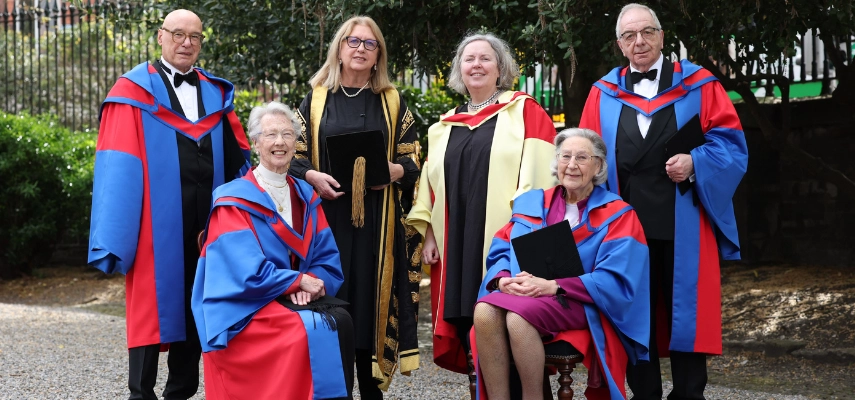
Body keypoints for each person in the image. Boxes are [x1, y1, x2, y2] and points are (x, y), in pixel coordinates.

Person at [579, 3, 749, 399]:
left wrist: (696, 161)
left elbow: (732, 146)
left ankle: (690, 394)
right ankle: (645, 394)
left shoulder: (700, 84)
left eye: (647, 32)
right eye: (629, 36)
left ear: (661, 36)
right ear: (620, 45)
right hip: (623, 227)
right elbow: (585, 155)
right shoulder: (602, 92)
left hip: (682, 222)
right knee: (635, 311)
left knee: (685, 312)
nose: (639, 42)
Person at [87, 9, 251, 400]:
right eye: (178, 34)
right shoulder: (133, 91)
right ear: (161, 37)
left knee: (197, 307)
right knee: (149, 308)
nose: (186, 43)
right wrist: (115, 232)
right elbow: (118, 163)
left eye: (195, 37)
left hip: (206, 225)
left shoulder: (215, 92)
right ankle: (140, 393)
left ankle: (181, 391)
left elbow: (238, 156)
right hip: (155, 224)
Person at [405, 32, 557, 374]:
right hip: (456, 241)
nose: (476, 64)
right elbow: (430, 185)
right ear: (459, 69)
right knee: (465, 323)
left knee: (509, 324)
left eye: (485, 58)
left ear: (500, 69)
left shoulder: (525, 111)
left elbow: (541, 179)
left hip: (507, 241)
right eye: (469, 59)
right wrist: (429, 234)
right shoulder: (444, 126)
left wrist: (522, 234)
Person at [288, 16, 422, 398]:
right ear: (339, 49)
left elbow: (413, 158)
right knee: (333, 292)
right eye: (353, 41)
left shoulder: (392, 100)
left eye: (370, 43)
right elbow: (292, 156)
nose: (361, 49)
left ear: (379, 54)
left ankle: (373, 388)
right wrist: (313, 176)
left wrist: (393, 170)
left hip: (377, 223)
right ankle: (333, 387)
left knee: (368, 301)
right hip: (327, 220)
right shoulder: (315, 99)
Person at [472, 128, 650, 400]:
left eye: (582, 157)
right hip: (525, 292)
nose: (572, 165)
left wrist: (553, 286)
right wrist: (502, 279)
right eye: (565, 156)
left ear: (598, 165)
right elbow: (501, 248)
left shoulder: (619, 215)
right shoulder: (532, 203)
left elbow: (617, 279)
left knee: (519, 318)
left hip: (581, 301)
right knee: (484, 311)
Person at [191, 102, 354, 400]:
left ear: (296, 143)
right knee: (306, 329)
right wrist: (297, 281)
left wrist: (312, 284)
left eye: (287, 134)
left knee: (341, 321)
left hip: (288, 295)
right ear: (255, 142)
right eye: (270, 135)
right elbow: (245, 272)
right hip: (243, 305)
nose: (279, 142)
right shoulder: (233, 200)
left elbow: (326, 258)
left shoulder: (306, 196)